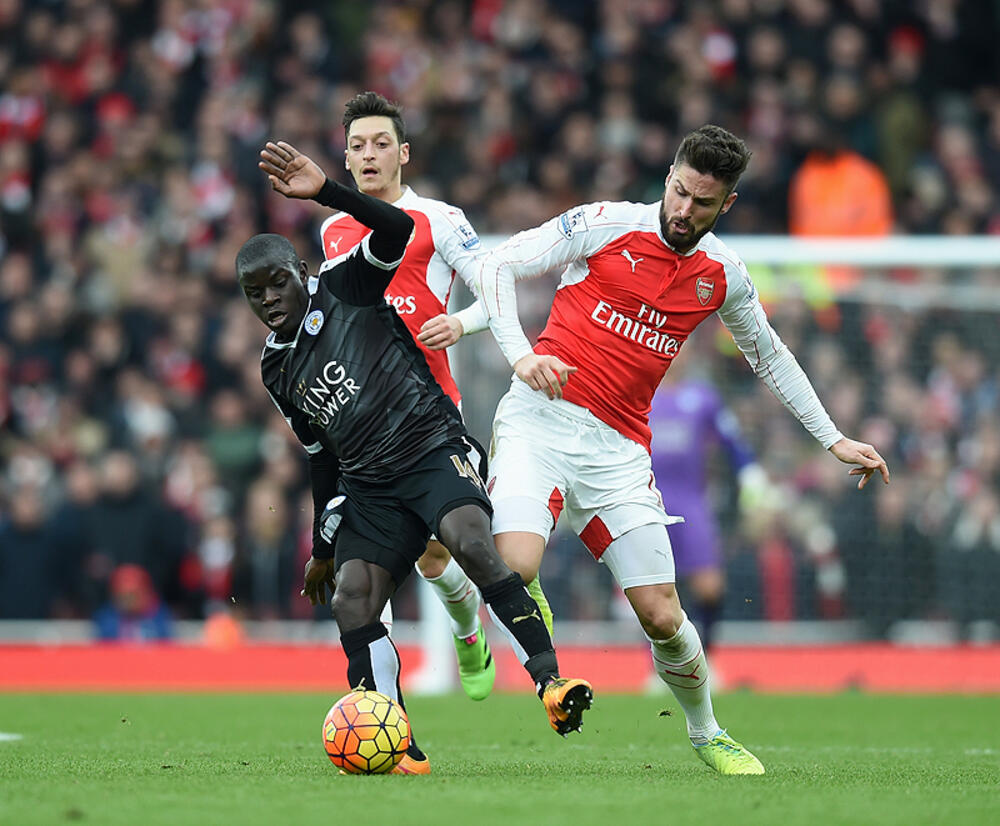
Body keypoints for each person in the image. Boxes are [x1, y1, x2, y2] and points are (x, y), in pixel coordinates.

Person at [475, 124, 890, 775]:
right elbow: (498, 263)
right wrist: (523, 357)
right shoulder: (605, 223)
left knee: (664, 615)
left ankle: (707, 732)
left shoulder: (721, 274)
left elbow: (770, 356)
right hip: (540, 424)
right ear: (669, 176)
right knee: (515, 566)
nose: (682, 209)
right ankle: (512, 604)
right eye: (678, 191)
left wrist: (833, 437)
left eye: (701, 202)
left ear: (725, 204)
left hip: (618, 453)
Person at [239, 140, 592, 775]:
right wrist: (323, 549)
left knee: (470, 542)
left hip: (431, 446)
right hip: (370, 486)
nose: (268, 299)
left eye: (276, 283)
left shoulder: (346, 283)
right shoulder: (274, 365)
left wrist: (326, 191)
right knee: (352, 596)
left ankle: (550, 683)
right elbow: (319, 453)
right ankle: (395, 739)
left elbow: (400, 227)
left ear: (300, 272)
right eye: (253, 293)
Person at [319, 91, 553, 699]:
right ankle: (386, 706)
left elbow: (493, 285)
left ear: (403, 152)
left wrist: (461, 323)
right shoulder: (333, 229)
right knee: (372, 568)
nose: (368, 155)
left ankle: (467, 627)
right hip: (363, 426)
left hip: (431, 417)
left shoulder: (441, 221)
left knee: (438, 553)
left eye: (379, 144)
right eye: (356, 147)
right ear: (345, 162)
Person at [648, 352, 770, 660]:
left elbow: (732, 439)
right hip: (648, 503)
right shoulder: (639, 393)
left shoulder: (702, 398)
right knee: (650, 592)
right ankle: (657, 668)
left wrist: (750, 473)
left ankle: (707, 660)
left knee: (709, 586)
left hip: (691, 502)